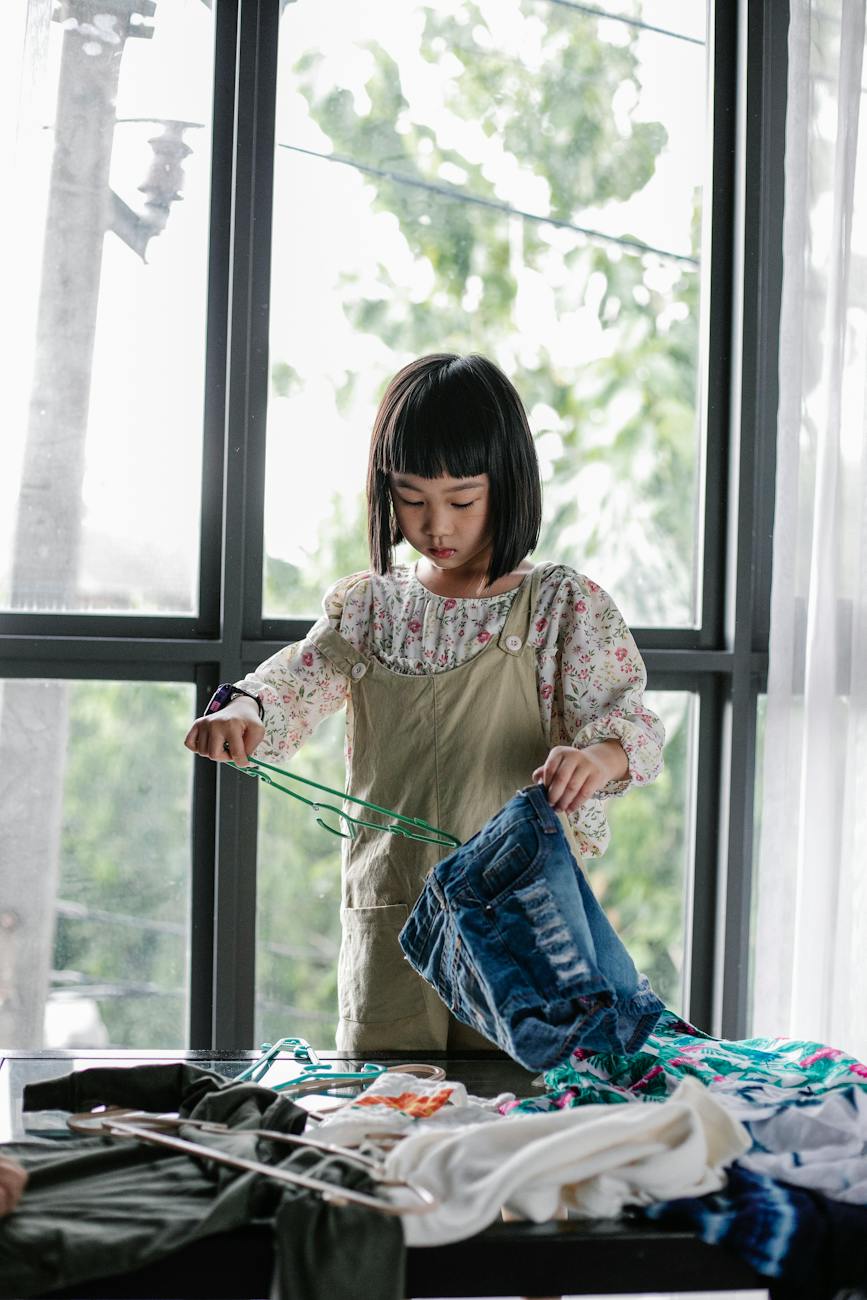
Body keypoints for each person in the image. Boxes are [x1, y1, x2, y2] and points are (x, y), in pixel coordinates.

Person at [185, 353, 665, 1054]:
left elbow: (634, 725)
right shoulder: (371, 608)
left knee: (519, 1091)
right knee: (390, 1095)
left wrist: (597, 758)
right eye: (411, 499)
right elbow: (295, 679)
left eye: (461, 501)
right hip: (392, 919)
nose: (436, 525)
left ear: (508, 485)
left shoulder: (560, 607)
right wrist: (245, 710)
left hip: (522, 922)